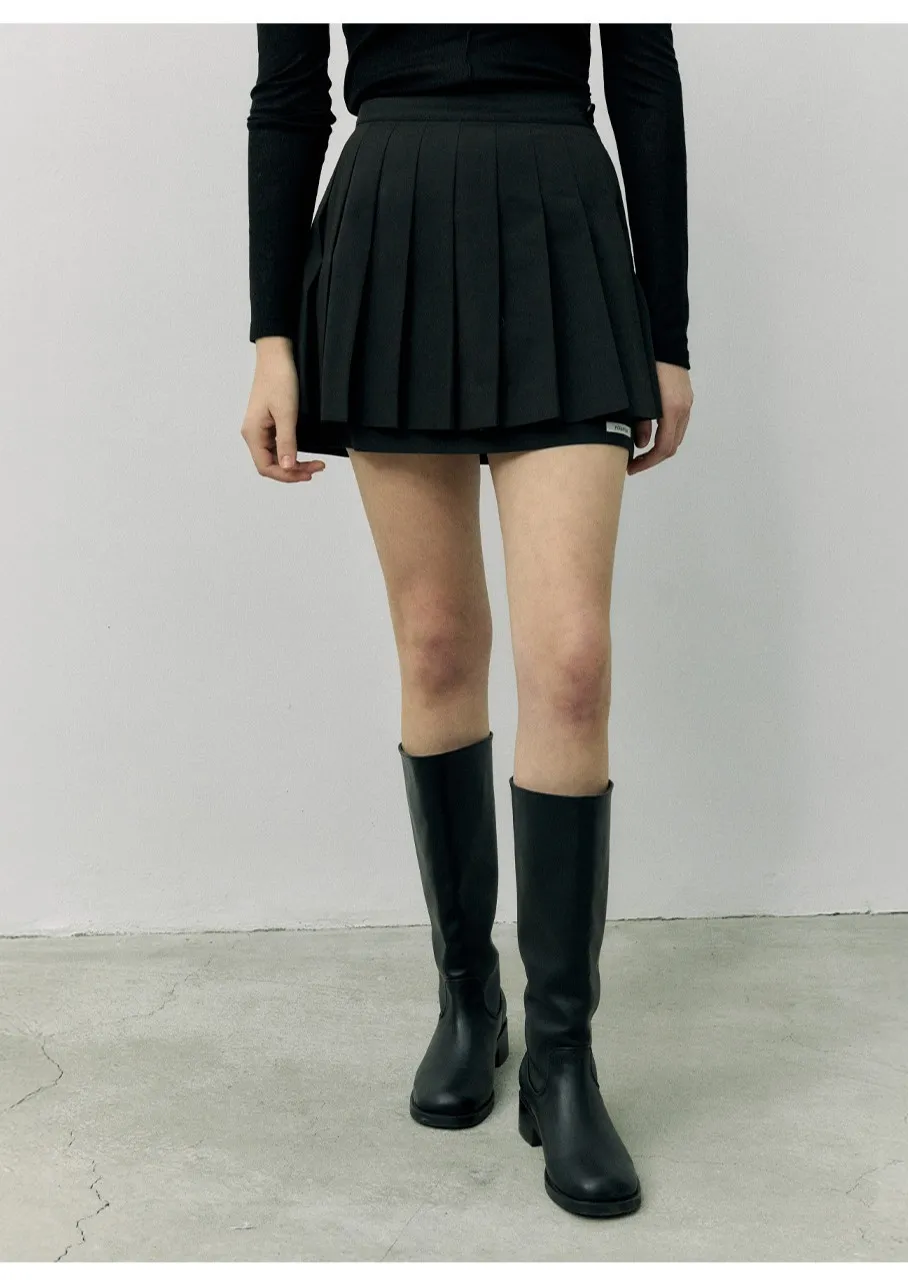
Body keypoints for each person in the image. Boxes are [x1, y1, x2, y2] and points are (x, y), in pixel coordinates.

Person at [242, 23, 694, 1220]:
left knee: (572, 660)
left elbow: (643, 77)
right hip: (390, 230)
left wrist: (668, 334)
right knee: (437, 642)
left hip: (560, 222)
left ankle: (564, 1055)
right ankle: (467, 997)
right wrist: (271, 335)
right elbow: (286, 97)